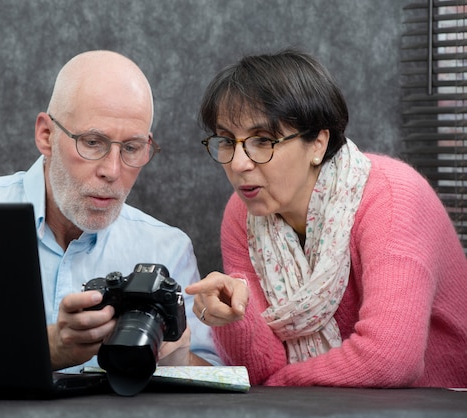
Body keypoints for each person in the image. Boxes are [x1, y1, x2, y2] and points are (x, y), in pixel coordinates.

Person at [185, 48, 467, 387]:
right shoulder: (242, 213)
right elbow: (258, 370)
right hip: (321, 405)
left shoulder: (393, 198)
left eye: (263, 140)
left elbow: (390, 360)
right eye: (227, 141)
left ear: (318, 143)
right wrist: (231, 318)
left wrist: (280, 385)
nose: (238, 163)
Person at [0, 50, 219, 372]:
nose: (112, 171)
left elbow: (211, 384)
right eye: (92, 142)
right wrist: (50, 347)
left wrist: (174, 356)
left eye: (131, 148)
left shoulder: (168, 250)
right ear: (46, 135)